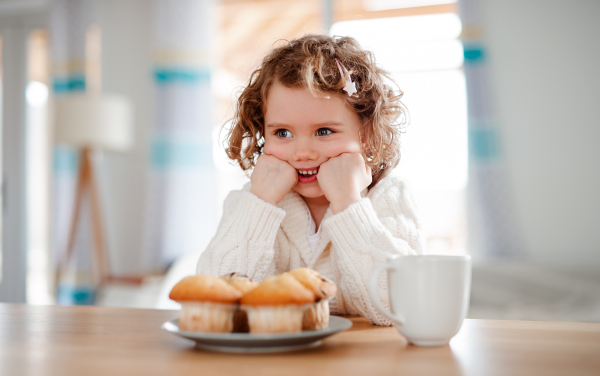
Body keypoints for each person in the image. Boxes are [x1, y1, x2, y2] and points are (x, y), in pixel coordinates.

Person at [197, 34, 424, 325]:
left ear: (365, 135)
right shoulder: (250, 203)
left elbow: (402, 308)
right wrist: (259, 203)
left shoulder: (388, 196)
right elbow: (213, 302)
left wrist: (348, 204)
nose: (303, 152)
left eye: (324, 131)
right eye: (282, 133)